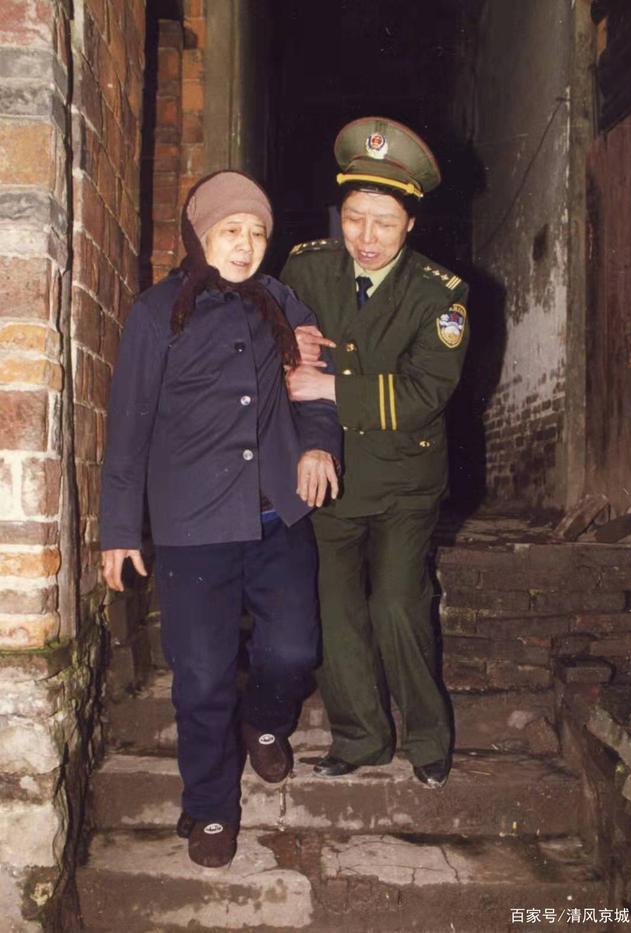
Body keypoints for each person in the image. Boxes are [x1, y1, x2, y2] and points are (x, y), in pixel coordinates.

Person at [99, 171, 341, 868]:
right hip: (192, 528)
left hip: (275, 515)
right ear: (201, 235)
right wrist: (119, 529)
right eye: (230, 231)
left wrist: (319, 442)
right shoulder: (158, 313)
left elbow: (314, 389)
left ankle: (264, 721)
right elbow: (128, 428)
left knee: (294, 650)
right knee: (202, 676)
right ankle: (209, 808)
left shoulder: (281, 302)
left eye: (257, 232)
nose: (244, 244)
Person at [281, 117, 469, 789]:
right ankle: (360, 736)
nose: (365, 237)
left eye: (384, 223)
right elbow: (273, 332)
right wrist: (284, 349)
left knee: (395, 602)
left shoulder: (441, 296)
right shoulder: (307, 268)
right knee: (335, 609)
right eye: (355, 218)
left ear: (410, 223)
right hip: (327, 472)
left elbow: (425, 392)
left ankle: (428, 738)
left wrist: (329, 385)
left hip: (404, 479)